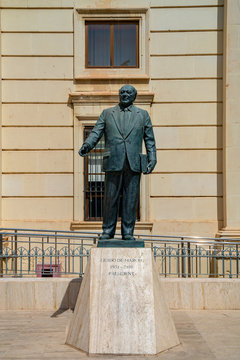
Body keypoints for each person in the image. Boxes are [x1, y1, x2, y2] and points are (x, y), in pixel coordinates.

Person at [79, 85, 157, 240]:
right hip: (113, 160)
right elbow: (96, 132)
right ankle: (108, 230)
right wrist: (87, 145)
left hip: (133, 162)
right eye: (122, 92)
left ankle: (128, 232)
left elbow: (149, 139)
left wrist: (152, 157)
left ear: (134, 96)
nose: (125, 95)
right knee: (110, 198)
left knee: (131, 199)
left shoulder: (143, 115)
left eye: (128, 92)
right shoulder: (107, 113)